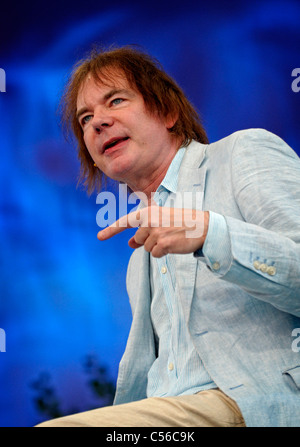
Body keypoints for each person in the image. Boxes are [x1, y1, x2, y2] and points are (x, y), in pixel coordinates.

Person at [37, 46, 300, 427]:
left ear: (167, 112)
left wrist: (210, 234)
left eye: (115, 100)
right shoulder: (139, 257)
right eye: (85, 119)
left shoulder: (243, 154)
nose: (97, 123)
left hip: (259, 404)